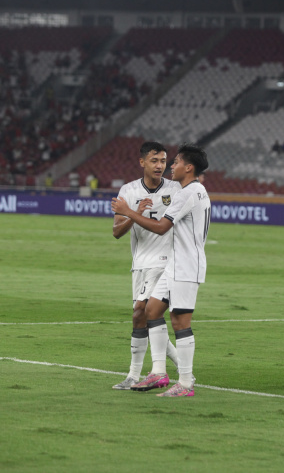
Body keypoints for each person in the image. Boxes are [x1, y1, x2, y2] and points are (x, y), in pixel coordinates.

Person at [111, 144, 211, 397]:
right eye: (159, 160)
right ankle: (158, 372)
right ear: (142, 162)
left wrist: (129, 212)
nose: (168, 166)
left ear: (188, 167)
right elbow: (117, 231)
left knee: (179, 321)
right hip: (170, 263)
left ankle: (185, 382)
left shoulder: (186, 192)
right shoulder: (190, 190)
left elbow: (161, 227)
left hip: (184, 264)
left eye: (173, 162)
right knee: (151, 310)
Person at [110, 141, 181, 390]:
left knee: (141, 311)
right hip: (140, 264)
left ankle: (134, 375)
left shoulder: (175, 188)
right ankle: (184, 367)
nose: (160, 165)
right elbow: (117, 232)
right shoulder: (128, 190)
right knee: (145, 318)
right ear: (142, 162)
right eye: (154, 161)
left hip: (165, 262)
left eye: (163, 161)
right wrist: (133, 213)